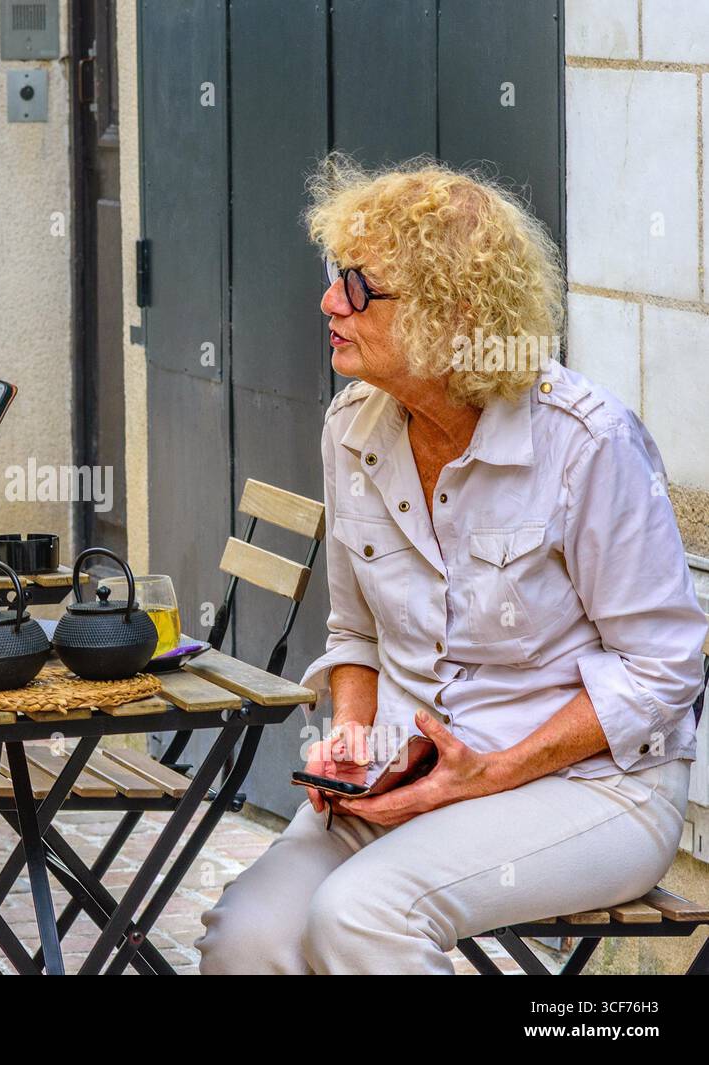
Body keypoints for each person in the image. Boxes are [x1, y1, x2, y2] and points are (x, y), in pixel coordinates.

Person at [196, 156, 707, 974]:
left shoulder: (587, 442)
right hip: (411, 776)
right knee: (245, 940)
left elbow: (665, 665)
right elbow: (353, 631)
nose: (330, 301)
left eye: (361, 287)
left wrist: (488, 772)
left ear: (453, 313)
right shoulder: (352, 427)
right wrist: (356, 739)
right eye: (336, 275)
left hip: (592, 788)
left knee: (362, 917)